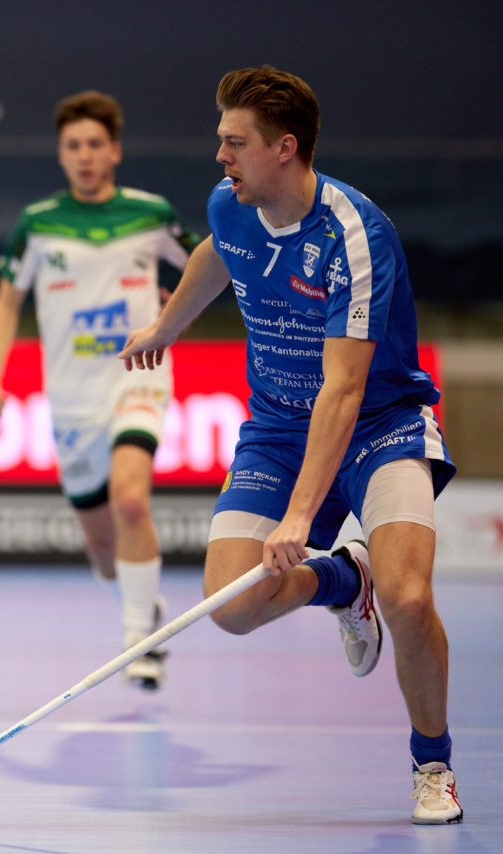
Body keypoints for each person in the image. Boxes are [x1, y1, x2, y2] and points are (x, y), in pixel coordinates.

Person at [119, 66, 461, 824]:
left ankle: (431, 764)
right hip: (275, 428)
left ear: (285, 148)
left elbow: (343, 391)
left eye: (234, 143)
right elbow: (217, 252)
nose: (220, 157)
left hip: (380, 425)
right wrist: (167, 327)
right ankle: (346, 584)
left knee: (409, 598)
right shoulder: (232, 204)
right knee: (232, 607)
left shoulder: (354, 237)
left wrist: (300, 520)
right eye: (219, 140)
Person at [0, 91, 197, 690]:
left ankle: (140, 643)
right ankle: (139, 602)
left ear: (115, 151)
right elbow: (5, 304)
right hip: (71, 398)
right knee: (103, 549)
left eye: (95, 144)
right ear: (61, 155)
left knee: (132, 499)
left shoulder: (152, 215)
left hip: (138, 375)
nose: (84, 155)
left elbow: (210, 267)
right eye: (73, 146)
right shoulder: (38, 223)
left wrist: (168, 321)